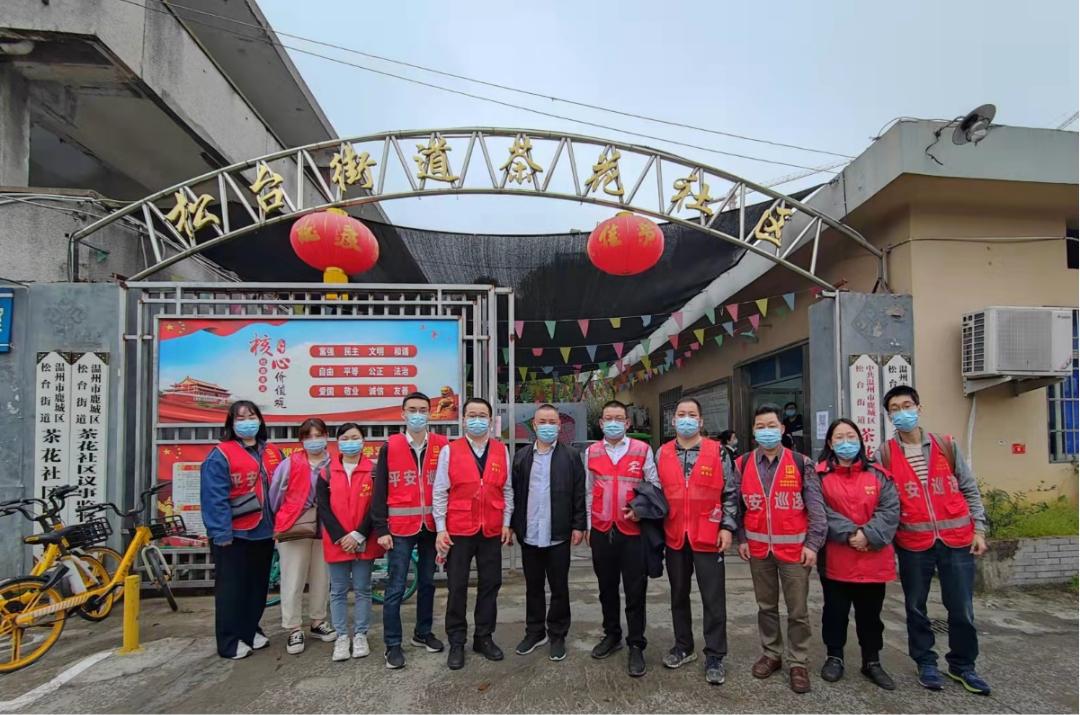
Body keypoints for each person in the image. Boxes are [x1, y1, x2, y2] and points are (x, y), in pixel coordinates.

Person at [876, 385, 991, 696]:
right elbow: (884, 503)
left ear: (919, 407)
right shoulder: (884, 454)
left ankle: (963, 665)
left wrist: (979, 529)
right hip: (913, 544)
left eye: (906, 405)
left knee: (962, 608)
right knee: (915, 606)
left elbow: (969, 490)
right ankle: (925, 661)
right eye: (895, 409)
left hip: (957, 540)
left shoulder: (946, 445)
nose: (902, 413)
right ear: (889, 416)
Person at [736, 403, 827, 694]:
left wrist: (813, 544)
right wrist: (742, 538)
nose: (766, 431)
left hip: (795, 551)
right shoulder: (743, 463)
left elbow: (817, 509)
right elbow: (736, 507)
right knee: (766, 606)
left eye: (771, 426)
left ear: (782, 428)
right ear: (753, 432)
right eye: (760, 427)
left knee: (798, 610)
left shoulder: (801, 463)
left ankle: (798, 661)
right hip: (758, 549)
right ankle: (772, 654)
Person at [656, 398, 739, 685]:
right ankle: (683, 646)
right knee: (678, 594)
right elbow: (655, 495)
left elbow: (731, 493)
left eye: (692, 415)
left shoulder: (719, 453)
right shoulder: (663, 453)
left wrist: (727, 528)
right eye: (681, 415)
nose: (686, 419)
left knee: (713, 599)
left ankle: (715, 655)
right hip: (675, 536)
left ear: (701, 422)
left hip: (709, 536)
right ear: (673, 421)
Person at [816, 418, 900, 691]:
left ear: (860, 440)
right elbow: (820, 511)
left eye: (850, 436)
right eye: (838, 437)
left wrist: (869, 536)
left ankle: (872, 661)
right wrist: (852, 534)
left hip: (873, 558)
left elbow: (890, 511)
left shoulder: (879, 475)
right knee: (835, 612)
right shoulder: (820, 477)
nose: (845, 442)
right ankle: (834, 657)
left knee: (870, 615)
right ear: (830, 443)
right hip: (836, 558)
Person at [433, 397, 514, 670]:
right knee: (457, 587)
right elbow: (440, 492)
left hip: (490, 528)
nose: (477, 420)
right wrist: (441, 528)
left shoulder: (501, 450)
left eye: (483, 416)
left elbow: (507, 489)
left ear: (490, 422)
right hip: (459, 530)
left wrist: (506, 522)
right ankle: (457, 641)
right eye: (472, 415)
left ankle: (484, 637)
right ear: (464, 420)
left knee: (490, 585)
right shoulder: (450, 450)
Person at [200, 400, 283, 659]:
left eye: (252, 416)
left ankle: (249, 630)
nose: (247, 421)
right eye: (240, 417)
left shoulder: (272, 452)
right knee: (232, 588)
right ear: (231, 424)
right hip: (234, 534)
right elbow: (214, 497)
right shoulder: (220, 454)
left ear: (260, 420)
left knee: (257, 586)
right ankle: (229, 640)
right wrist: (221, 533)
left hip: (265, 531)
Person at [371, 392, 447, 669]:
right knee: (396, 587)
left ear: (430, 413)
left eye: (423, 409)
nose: (418, 414)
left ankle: (422, 633)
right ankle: (392, 644)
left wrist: (445, 525)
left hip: (431, 527)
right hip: (400, 528)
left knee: (428, 582)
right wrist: (381, 527)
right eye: (412, 409)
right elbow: (379, 490)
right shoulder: (389, 447)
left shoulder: (441, 445)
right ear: (402, 414)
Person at [585, 399, 660, 678]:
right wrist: (590, 525)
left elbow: (654, 484)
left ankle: (636, 644)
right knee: (606, 589)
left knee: (635, 591)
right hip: (603, 531)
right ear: (601, 423)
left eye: (619, 418)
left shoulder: (642, 449)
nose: (613, 422)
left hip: (633, 533)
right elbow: (588, 490)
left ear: (627, 423)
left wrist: (642, 511)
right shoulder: (591, 452)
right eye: (608, 418)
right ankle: (612, 635)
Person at [510, 404, 586, 662]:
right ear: (534, 425)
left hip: (558, 533)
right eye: (543, 421)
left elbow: (579, 492)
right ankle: (534, 632)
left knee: (559, 587)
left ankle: (557, 634)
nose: (547, 426)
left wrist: (579, 525)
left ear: (559, 425)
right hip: (530, 533)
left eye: (552, 422)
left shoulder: (571, 456)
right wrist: (511, 526)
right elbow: (514, 494)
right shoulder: (521, 456)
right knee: (533, 587)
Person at [316, 422, 384, 662]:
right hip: (336, 541)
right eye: (345, 438)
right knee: (338, 591)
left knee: (364, 589)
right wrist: (341, 536)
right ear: (338, 442)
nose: (350, 441)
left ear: (363, 441)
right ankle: (342, 636)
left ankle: (361, 634)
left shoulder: (374, 471)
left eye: (355, 437)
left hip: (364, 539)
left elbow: (376, 507)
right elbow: (323, 508)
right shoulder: (326, 472)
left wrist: (358, 534)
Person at [268, 418, 336, 655]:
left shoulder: (334, 462)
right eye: (309, 436)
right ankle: (293, 627)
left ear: (327, 436)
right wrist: (285, 519)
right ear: (301, 440)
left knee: (321, 576)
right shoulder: (289, 463)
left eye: (319, 435)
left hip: (325, 528)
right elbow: (274, 496)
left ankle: (318, 621)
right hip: (295, 527)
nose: (314, 440)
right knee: (293, 577)